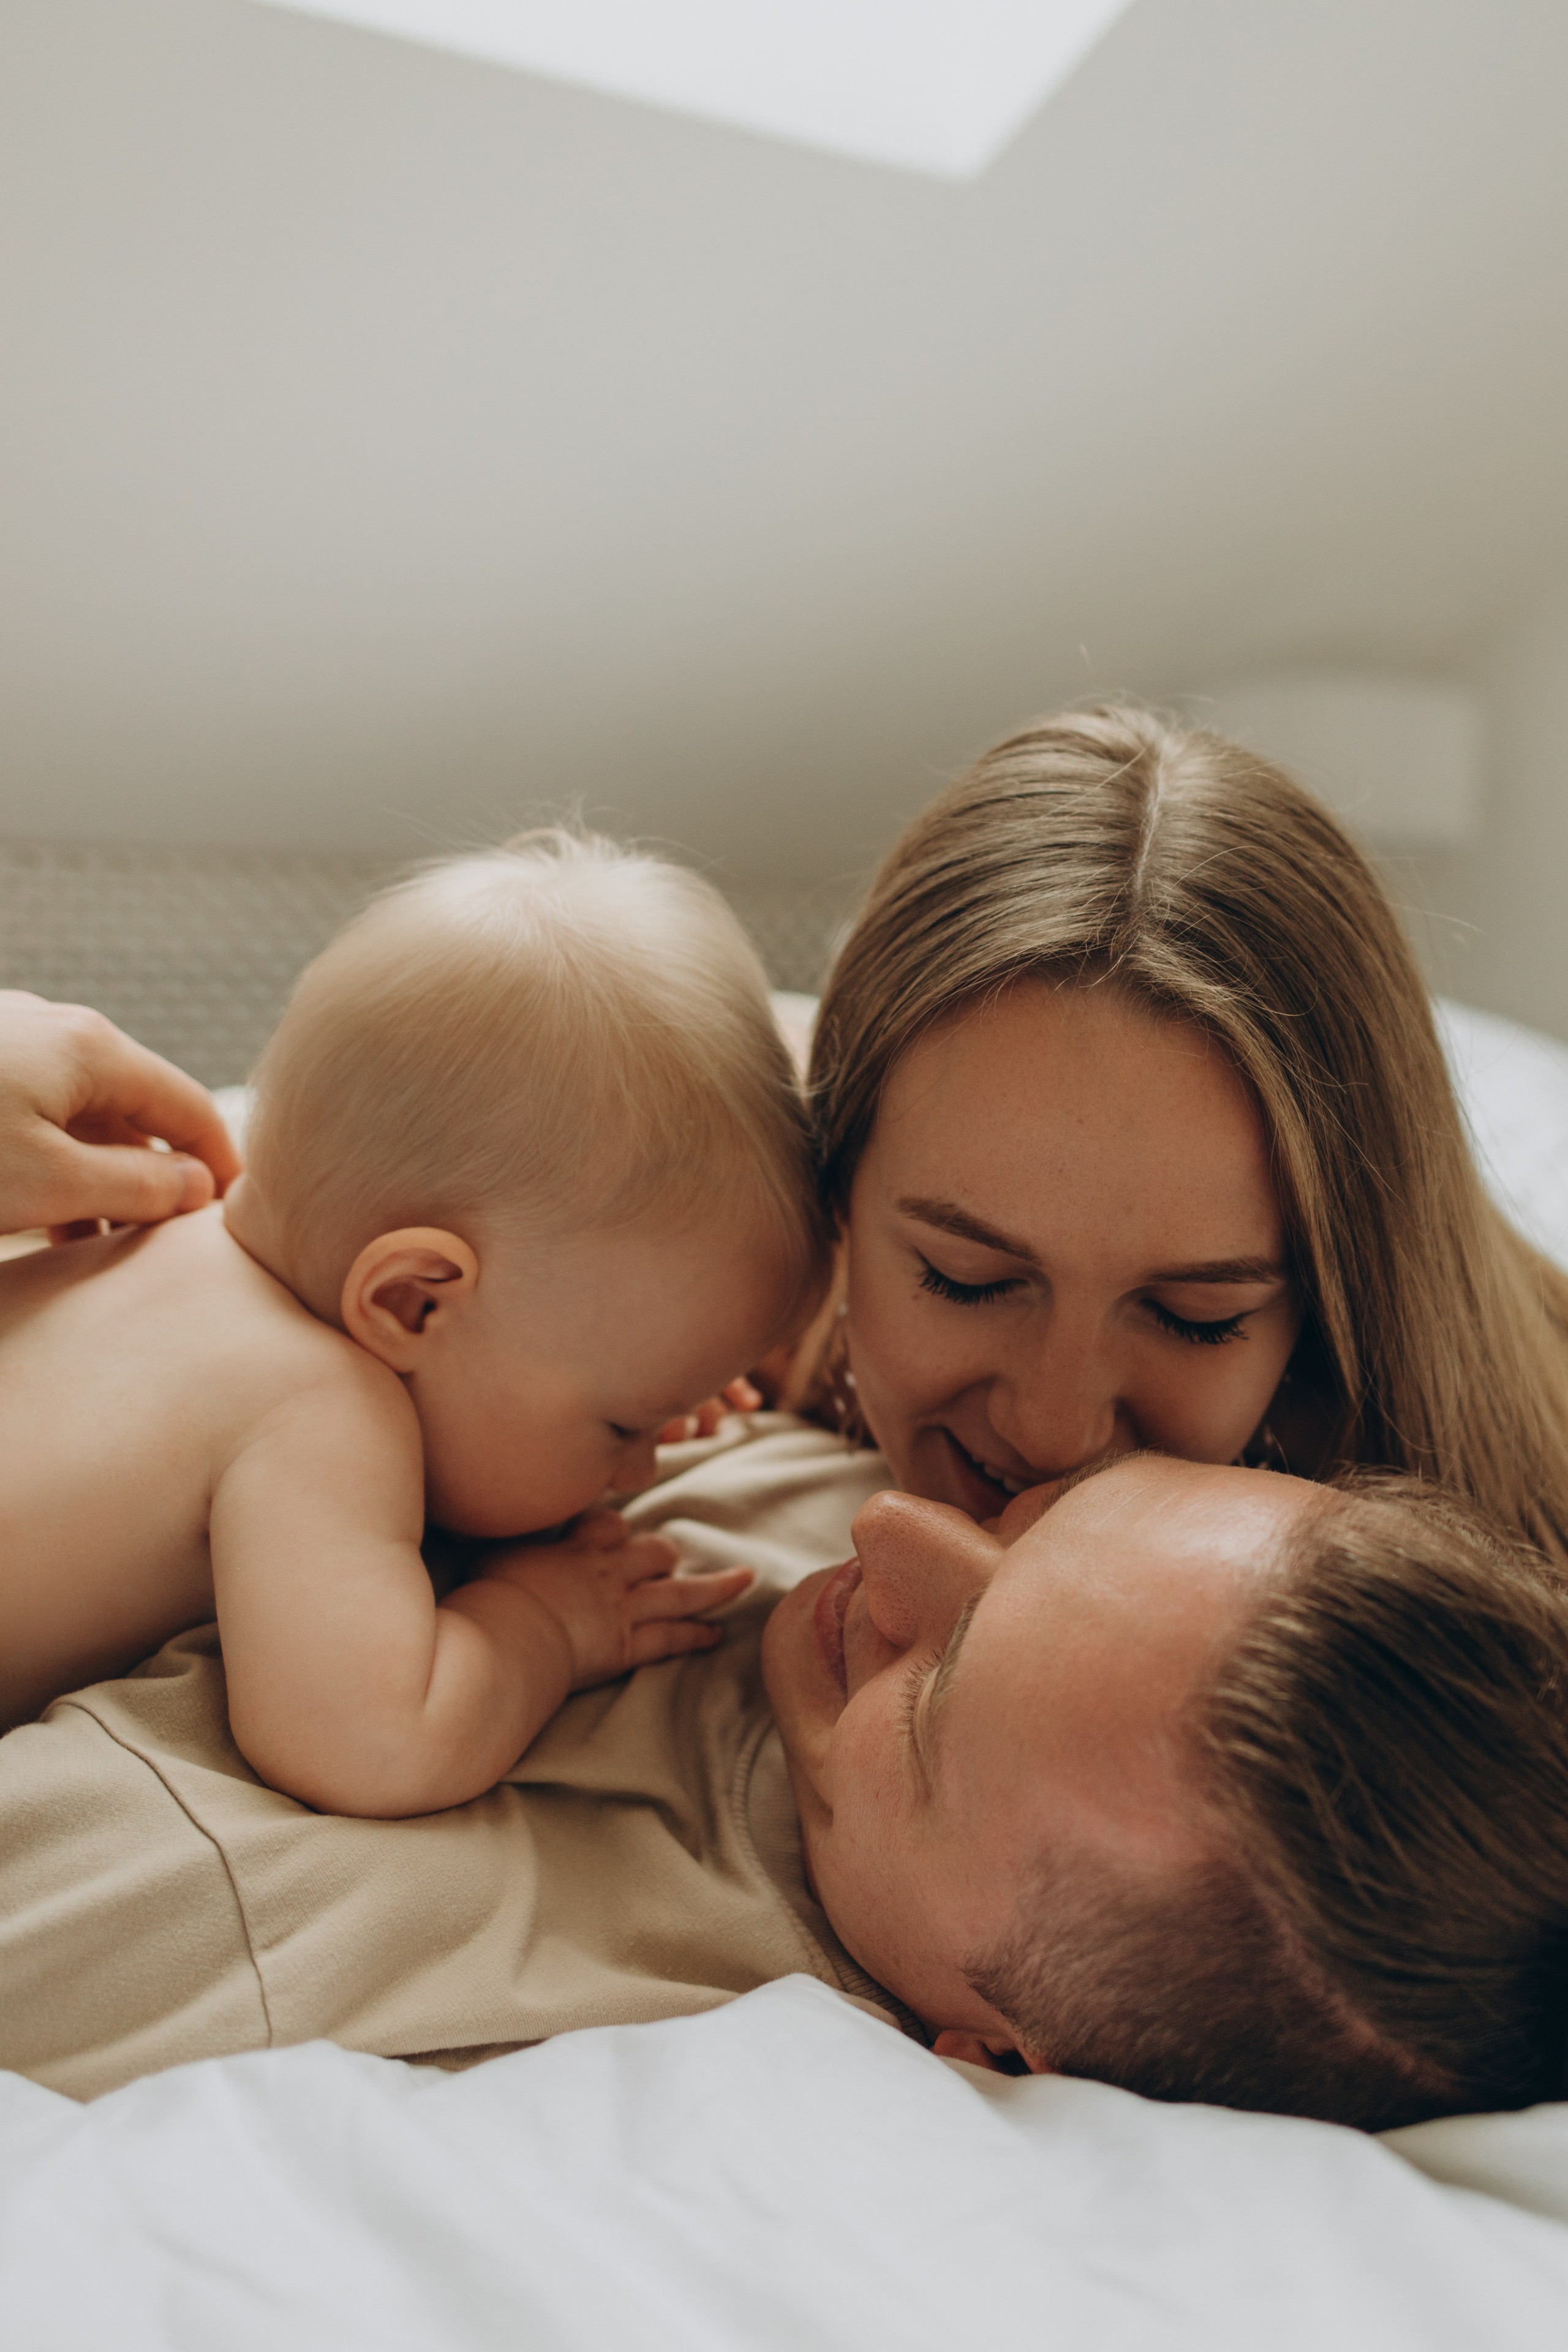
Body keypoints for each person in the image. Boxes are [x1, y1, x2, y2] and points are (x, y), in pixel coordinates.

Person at [3, 703, 1566, 2125]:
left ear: (1329, 1292)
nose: (1046, 1425)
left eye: (1196, 1312)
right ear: (836, 1200)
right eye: (961, 1277)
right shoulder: (652, 1222)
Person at [0, 833, 820, 1811]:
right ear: (412, 1300)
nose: (641, 1469)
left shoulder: (132, 1238)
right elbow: (376, 1742)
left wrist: (645, 1381)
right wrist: (545, 1626)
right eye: (623, 1427)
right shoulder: (319, 1407)